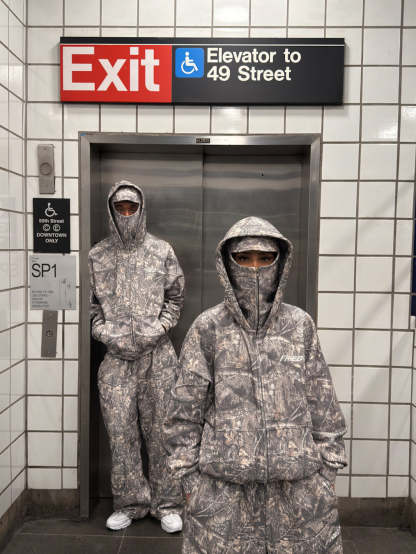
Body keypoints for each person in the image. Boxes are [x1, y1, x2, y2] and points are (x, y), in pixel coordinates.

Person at [163, 216, 347, 553]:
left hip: (298, 496)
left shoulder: (299, 326)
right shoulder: (209, 328)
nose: (256, 268)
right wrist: (190, 482)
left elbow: (323, 404)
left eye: (265, 258)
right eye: (244, 258)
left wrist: (327, 474)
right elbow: (183, 413)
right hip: (224, 497)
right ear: (228, 265)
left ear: (281, 262)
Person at [89, 180, 185, 533]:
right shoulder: (97, 256)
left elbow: (175, 298)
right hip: (116, 361)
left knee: (162, 433)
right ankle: (130, 503)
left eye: (132, 207)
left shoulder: (161, 251)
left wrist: (159, 328)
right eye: (121, 207)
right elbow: (91, 307)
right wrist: (104, 333)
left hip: (158, 358)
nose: (127, 213)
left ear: (142, 209)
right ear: (111, 210)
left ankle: (168, 504)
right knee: (120, 434)